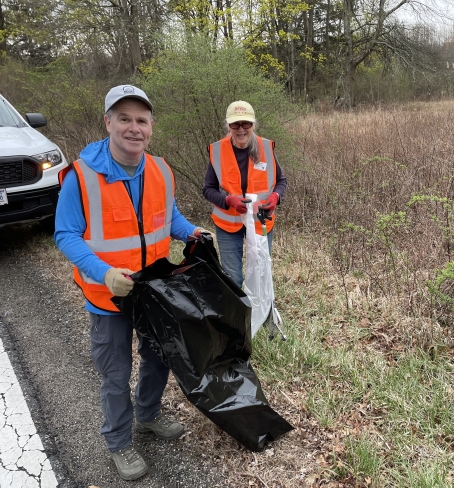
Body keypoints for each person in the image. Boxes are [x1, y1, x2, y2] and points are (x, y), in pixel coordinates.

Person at [55, 85, 212, 481]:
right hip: (108, 296)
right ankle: (118, 441)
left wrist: (192, 233)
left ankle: (148, 415)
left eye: (141, 120)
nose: (133, 127)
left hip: (154, 291)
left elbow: (169, 218)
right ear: (108, 122)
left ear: (151, 127)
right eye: (124, 118)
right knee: (115, 372)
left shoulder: (160, 169)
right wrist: (105, 273)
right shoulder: (81, 176)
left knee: (159, 358)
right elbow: (66, 234)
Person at [202, 100, 288, 288]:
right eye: (235, 124)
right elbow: (207, 189)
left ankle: (260, 306)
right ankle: (238, 307)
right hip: (227, 225)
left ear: (253, 125)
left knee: (260, 273)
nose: (241, 129)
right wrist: (227, 200)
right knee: (232, 278)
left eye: (246, 124)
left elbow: (281, 181)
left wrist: (275, 197)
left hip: (260, 221)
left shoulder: (266, 148)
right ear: (228, 126)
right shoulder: (218, 150)